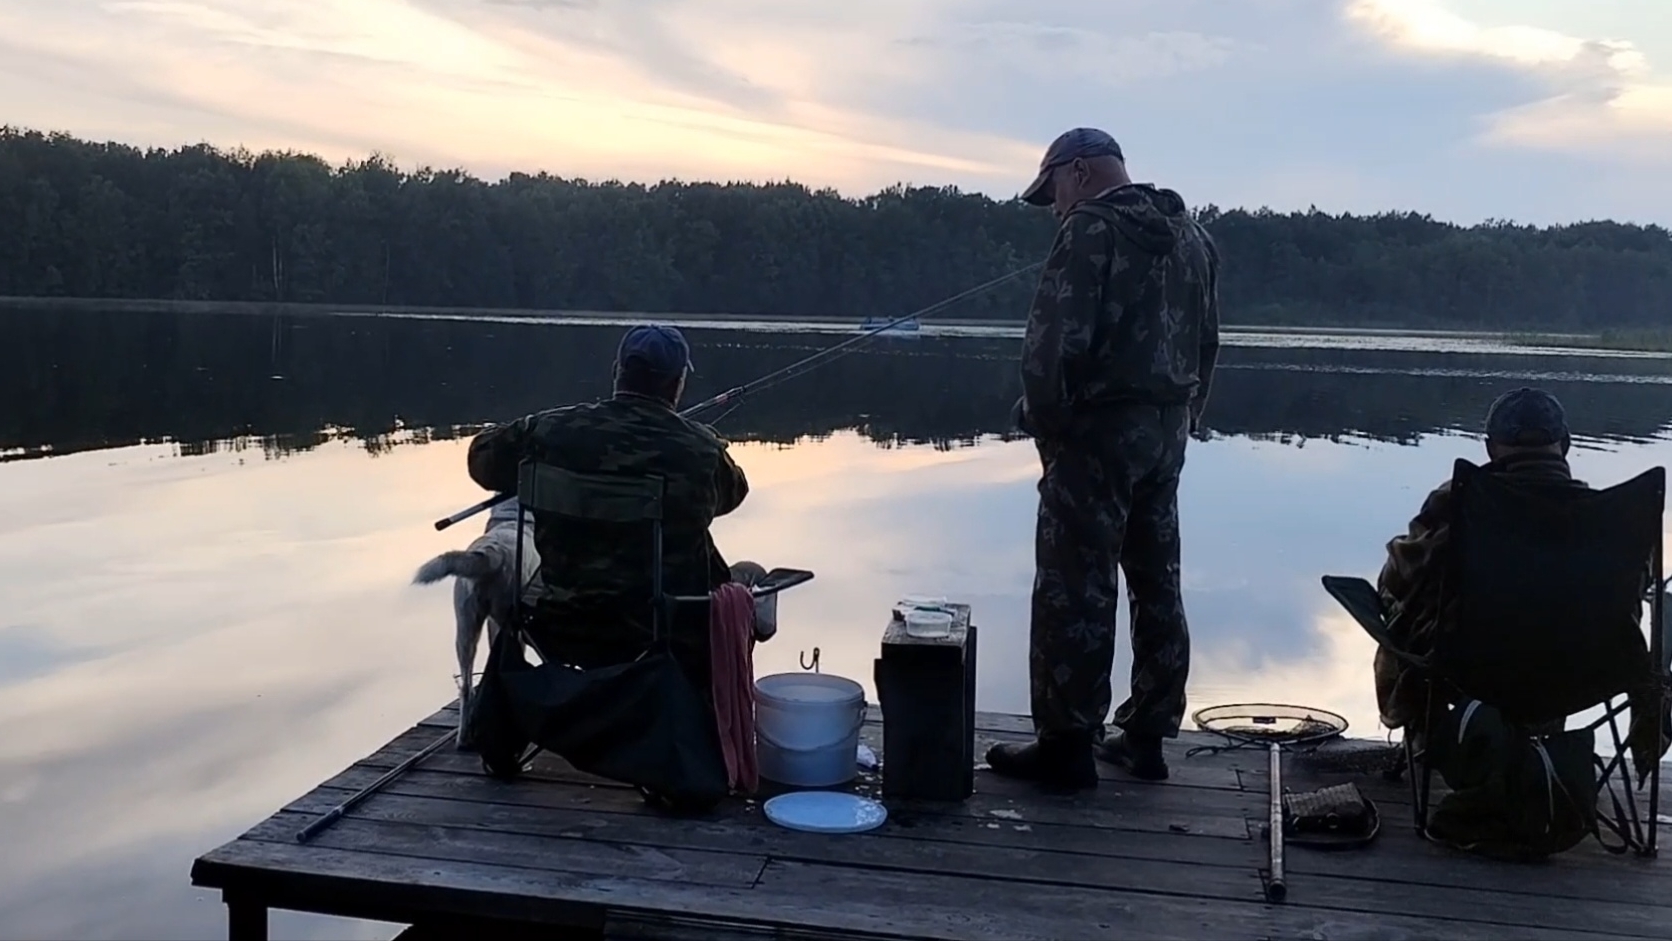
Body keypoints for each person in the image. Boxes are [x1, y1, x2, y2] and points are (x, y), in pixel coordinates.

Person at [987, 127, 1222, 792]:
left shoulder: (1088, 229)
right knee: (1157, 579)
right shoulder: (1194, 237)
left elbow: (1050, 345)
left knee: (1074, 585)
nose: (1055, 207)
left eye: (1053, 190)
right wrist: (1187, 418)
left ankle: (1066, 744)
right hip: (1166, 433)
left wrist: (1048, 425)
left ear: (1081, 171)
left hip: (1094, 435)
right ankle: (1146, 734)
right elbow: (1208, 342)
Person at [465, 324, 751, 649]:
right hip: (659, 632)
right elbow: (735, 492)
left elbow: (481, 459)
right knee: (742, 578)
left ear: (617, 371)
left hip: (558, 628)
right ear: (678, 382)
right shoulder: (700, 452)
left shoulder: (547, 432)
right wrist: (698, 441)